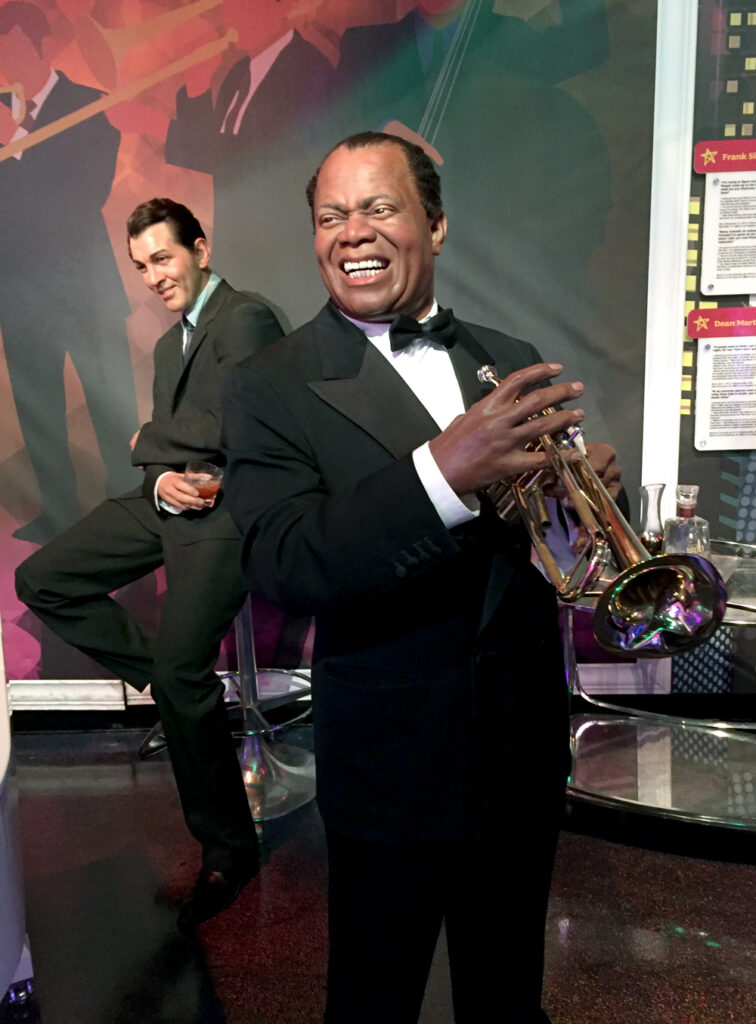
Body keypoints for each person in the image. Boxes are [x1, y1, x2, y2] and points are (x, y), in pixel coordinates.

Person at [222, 131, 620, 1021]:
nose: (351, 232)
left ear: (435, 225)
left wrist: (573, 499)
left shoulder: (503, 351)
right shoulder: (268, 382)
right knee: (374, 998)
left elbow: (532, 553)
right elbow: (287, 559)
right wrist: (442, 470)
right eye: (331, 216)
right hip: (394, 765)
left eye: (379, 206)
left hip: (520, 752)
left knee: (508, 994)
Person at [16, 198, 284, 931]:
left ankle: (229, 849)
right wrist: (158, 473)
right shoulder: (172, 347)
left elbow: (240, 424)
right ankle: (168, 677)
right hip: (168, 501)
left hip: (227, 514)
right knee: (40, 580)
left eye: (163, 258)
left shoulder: (246, 317)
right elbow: (183, 446)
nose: (152, 277)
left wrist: (145, 440)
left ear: (199, 247)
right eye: (139, 267)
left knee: (182, 675)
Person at [0, 1, 140, 542]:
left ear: (39, 46)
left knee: (114, 411)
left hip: (84, 293)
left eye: (10, 45)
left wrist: (13, 144)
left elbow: (82, 198)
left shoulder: (88, 105)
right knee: (39, 416)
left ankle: (127, 515)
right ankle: (57, 514)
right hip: (19, 297)